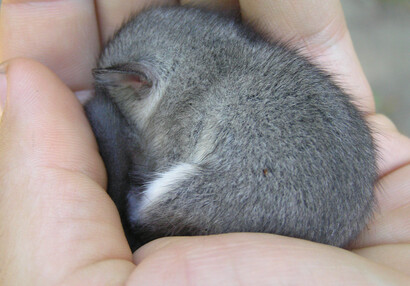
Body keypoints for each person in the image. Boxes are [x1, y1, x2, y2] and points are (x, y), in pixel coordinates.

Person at [0, 0, 409, 284]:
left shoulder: (183, 103)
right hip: (339, 206)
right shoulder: (224, 62)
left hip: (274, 192)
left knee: (151, 202)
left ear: (138, 82)